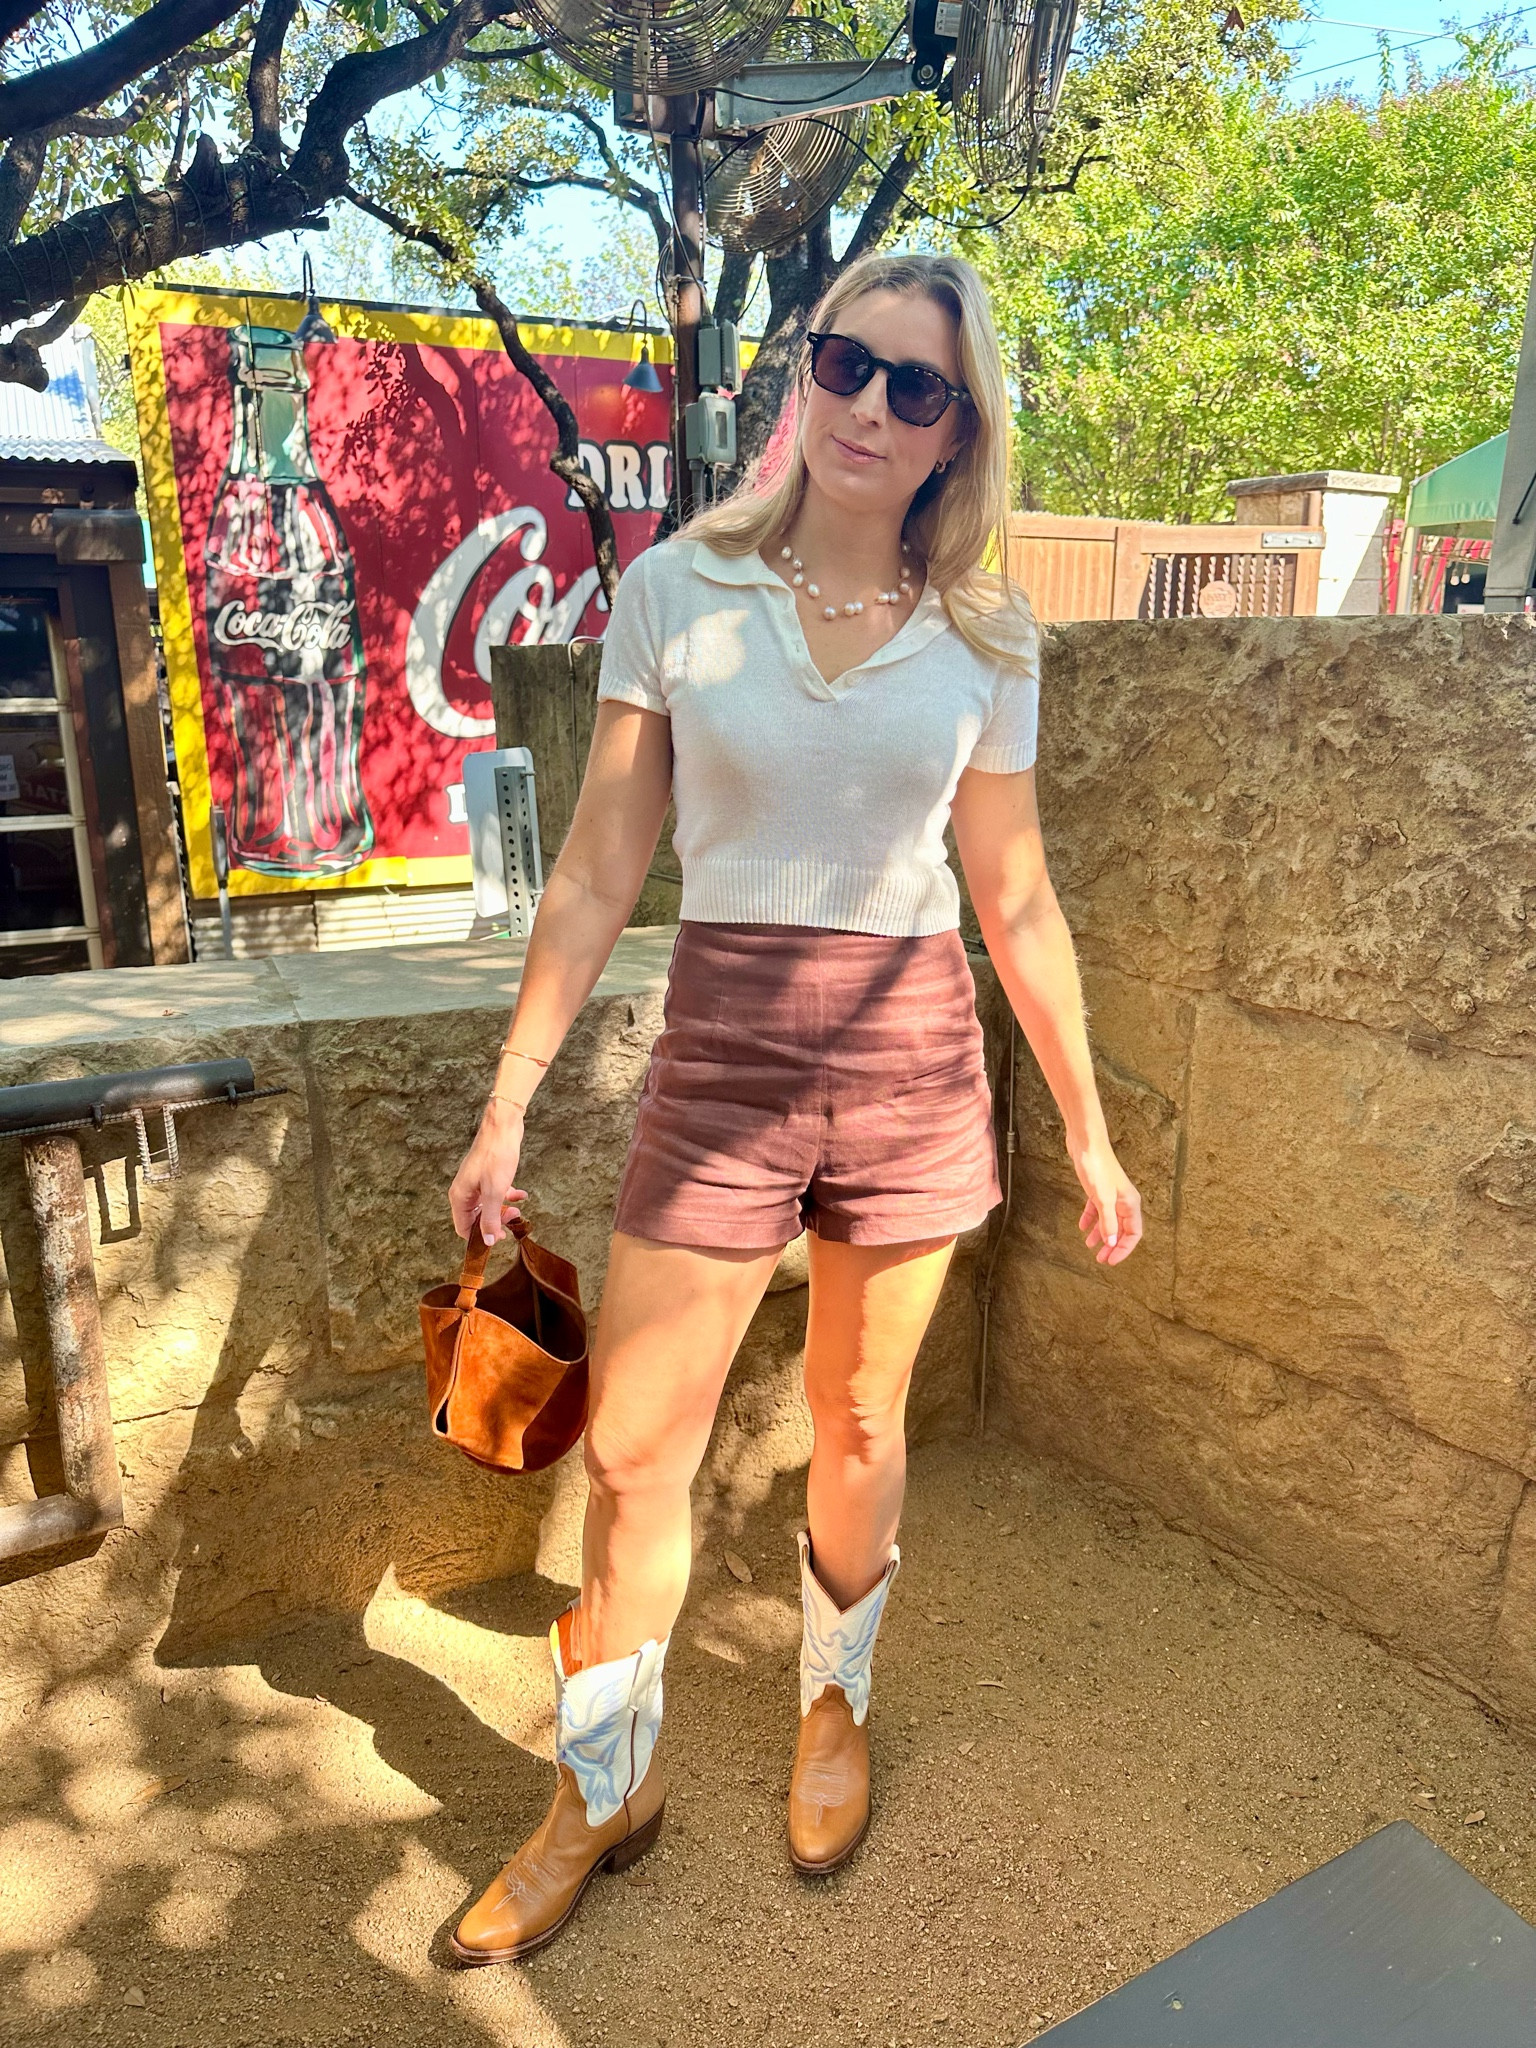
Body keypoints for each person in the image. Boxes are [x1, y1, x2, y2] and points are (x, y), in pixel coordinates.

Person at [446, 250, 1143, 1966]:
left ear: (958, 430)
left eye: (919, 388)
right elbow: (606, 861)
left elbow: (1017, 899)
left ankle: (832, 1711)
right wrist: (510, 1100)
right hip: (724, 1059)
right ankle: (603, 1784)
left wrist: (1092, 1125)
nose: (871, 408)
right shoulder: (682, 590)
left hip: (913, 1058)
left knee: (857, 1422)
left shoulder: (990, 634)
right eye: (850, 364)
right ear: (803, 373)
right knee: (632, 1447)